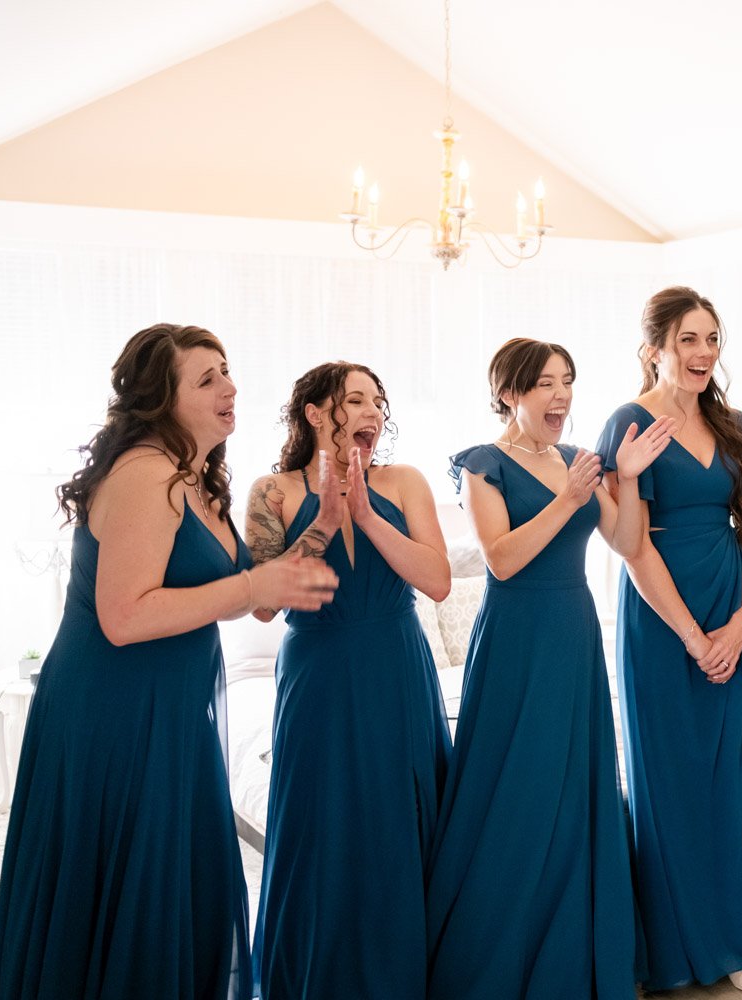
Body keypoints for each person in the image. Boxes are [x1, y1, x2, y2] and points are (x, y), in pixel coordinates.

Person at [0, 324, 337, 1000]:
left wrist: (321, 523)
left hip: (171, 712)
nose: (230, 387)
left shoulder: (198, 479)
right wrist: (251, 587)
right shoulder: (145, 473)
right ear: (160, 399)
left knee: (176, 886)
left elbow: (247, 596)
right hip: (114, 714)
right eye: (206, 379)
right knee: (125, 893)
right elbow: (125, 618)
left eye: (227, 371)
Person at [425, 338, 672, 1000]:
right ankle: (494, 950)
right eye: (544, 384)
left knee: (576, 784)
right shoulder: (482, 464)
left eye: (567, 381)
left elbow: (625, 543)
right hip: (516, 638)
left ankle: (576, 950)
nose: (561, 395)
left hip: (574, 632)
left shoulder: (580, 461)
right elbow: (501, 559)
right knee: (516, 785)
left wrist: (627, 478)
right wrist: (568, 499)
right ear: (510, 392)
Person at [595, 287, 742, 993]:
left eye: (711, 339)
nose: (702, 353)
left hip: (731, 609)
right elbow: (631, 548)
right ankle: (680, 944)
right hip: (662, 623)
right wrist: (692, 635)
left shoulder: (737, 424)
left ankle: (733, 936)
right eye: (688, 339)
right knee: (675, 783)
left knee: (739, 781)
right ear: (654, 347)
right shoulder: (630, 424)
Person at [245, 361, 453, 1000]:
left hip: (397, 663)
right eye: (354, 400)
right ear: (313, 413)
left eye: (377, 402)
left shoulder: (406, 481)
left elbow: (438, 581)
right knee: (323, 822)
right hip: (321, 674)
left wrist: (366, 515)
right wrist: (328, 522)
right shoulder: (271, 492)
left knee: (402, 815)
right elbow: (262, 604)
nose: (372, 413)